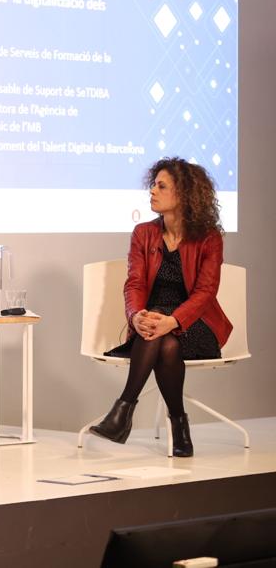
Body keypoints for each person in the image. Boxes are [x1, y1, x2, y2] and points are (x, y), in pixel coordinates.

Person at [90, 157, 230, 457]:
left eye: (161, 186)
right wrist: (136, 315)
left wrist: (175, 320)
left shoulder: (209, 238)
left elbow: (206, 292)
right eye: (153, 184)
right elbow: (135, 283)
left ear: (184, 194)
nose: (152, 191)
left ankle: (122, 411)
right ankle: (179, 426)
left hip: (195, 322)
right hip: (152, 321)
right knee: (162, 339)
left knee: (165, 338)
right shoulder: (144, 233)